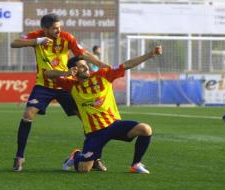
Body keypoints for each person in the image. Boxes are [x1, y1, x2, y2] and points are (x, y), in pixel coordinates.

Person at [10, 13, 108, 171]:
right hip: (43, 85)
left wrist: (102, 64)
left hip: (65, 84)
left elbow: (83, 53)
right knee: (28, 114)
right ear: (45, 29)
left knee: (87, 119)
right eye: (55, 28)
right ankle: (19, 157)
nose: (58, 30)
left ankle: (94, 157)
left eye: (59, 27)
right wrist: (37, 41)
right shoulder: (37, 36)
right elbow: (14, 43)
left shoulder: (67, 37)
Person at [44, 45, 162, 173]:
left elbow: (126, 65)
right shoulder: (70, 85)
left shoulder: (103, 75)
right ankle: (76, 155)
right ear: (74, 70)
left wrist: (150, 54)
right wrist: (65, 73)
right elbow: (47, 74)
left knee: (145, 129)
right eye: (82, 66)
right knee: (84, 169)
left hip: (113, 125)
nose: (86, 67)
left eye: (86, 64)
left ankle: (135, 164)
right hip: (94, 133)